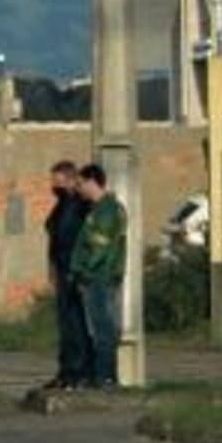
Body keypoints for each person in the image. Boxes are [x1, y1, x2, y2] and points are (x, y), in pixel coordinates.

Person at [69, 161, 127, 389]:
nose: (79, 188)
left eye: (81, 183)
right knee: (98, 329)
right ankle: (100, 376)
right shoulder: (100, 209)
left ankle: (106, 377)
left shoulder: (107, 210)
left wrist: (83, 271)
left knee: (103, 329)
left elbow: (99, 248)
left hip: (99, 277)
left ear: (93, 181)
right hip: (98, 276)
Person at [42, 160, 91, 390]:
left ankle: (79, 371)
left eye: (58, 182)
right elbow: (54, 237)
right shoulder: (62, 205)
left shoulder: (81, 205)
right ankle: (66, 372)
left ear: (72, 179)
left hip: (76, 270)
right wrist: (52, 268)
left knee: (77, 324)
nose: (55, 187)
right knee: (65, 324)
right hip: (62, 270)